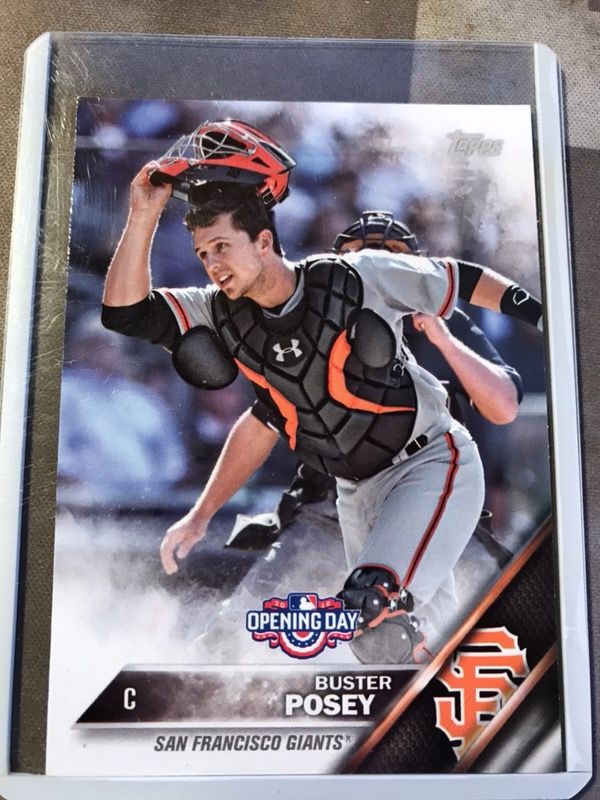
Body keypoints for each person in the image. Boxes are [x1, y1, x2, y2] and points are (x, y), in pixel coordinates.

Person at [102, 120, 543, 662]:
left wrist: (550, 318)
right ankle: (462, 693)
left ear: (264, 241)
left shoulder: (353, 276)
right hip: (350, 492)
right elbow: (125, 313)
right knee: (401, 645)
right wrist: (143, 213)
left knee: (372, 611)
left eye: (222, 247)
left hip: (426, 462)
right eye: (203, 254)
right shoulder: (218, 311)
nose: (212, 264)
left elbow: (464, 278)